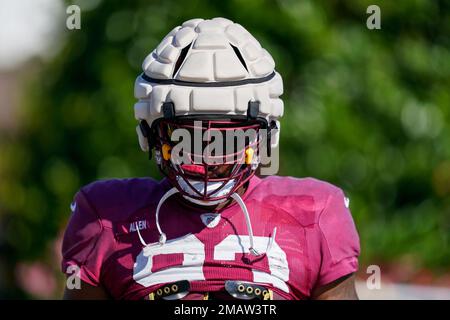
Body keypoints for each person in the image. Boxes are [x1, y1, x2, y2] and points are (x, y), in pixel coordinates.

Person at [61, 17, 360, 300]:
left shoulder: (314, 213)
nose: (208, 159)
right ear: (150, 135)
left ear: (265, 136)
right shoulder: (106, 217)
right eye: (187, 137)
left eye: (227, 138)